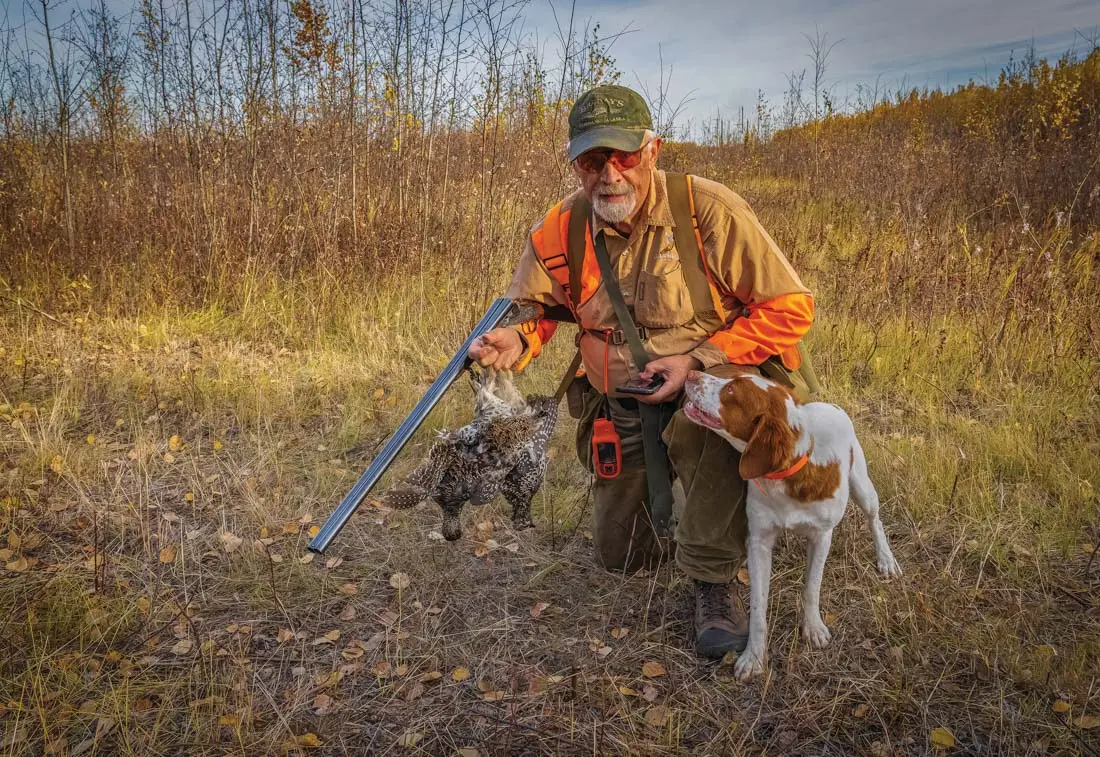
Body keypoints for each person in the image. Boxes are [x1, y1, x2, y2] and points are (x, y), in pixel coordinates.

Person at [468, 84, 817, 659]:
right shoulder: (559, 229)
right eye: (591, 160)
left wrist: (697, 361)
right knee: (623, 557)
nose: (609, 174)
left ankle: (713, 580)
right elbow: (538, 309)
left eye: (623, 156)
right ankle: (672, 520)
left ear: (652, 150)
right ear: (576, 163)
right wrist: (517, 337)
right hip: (622, 395)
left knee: (703, 422)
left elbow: (790, 307)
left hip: (707, 381)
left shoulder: (710, 210)